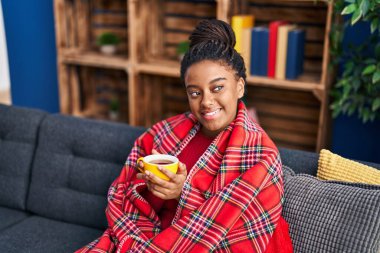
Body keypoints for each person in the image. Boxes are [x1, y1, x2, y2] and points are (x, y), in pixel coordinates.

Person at [76, 19, 293, 253]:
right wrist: (148, 185)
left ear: (239, 86)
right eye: (195, 92)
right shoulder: (167, 132)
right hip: (151, 235)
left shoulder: (261, 155)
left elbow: (236, 229)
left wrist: (184, 192)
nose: (206, 102)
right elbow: (123, 190)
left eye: (217, 88)